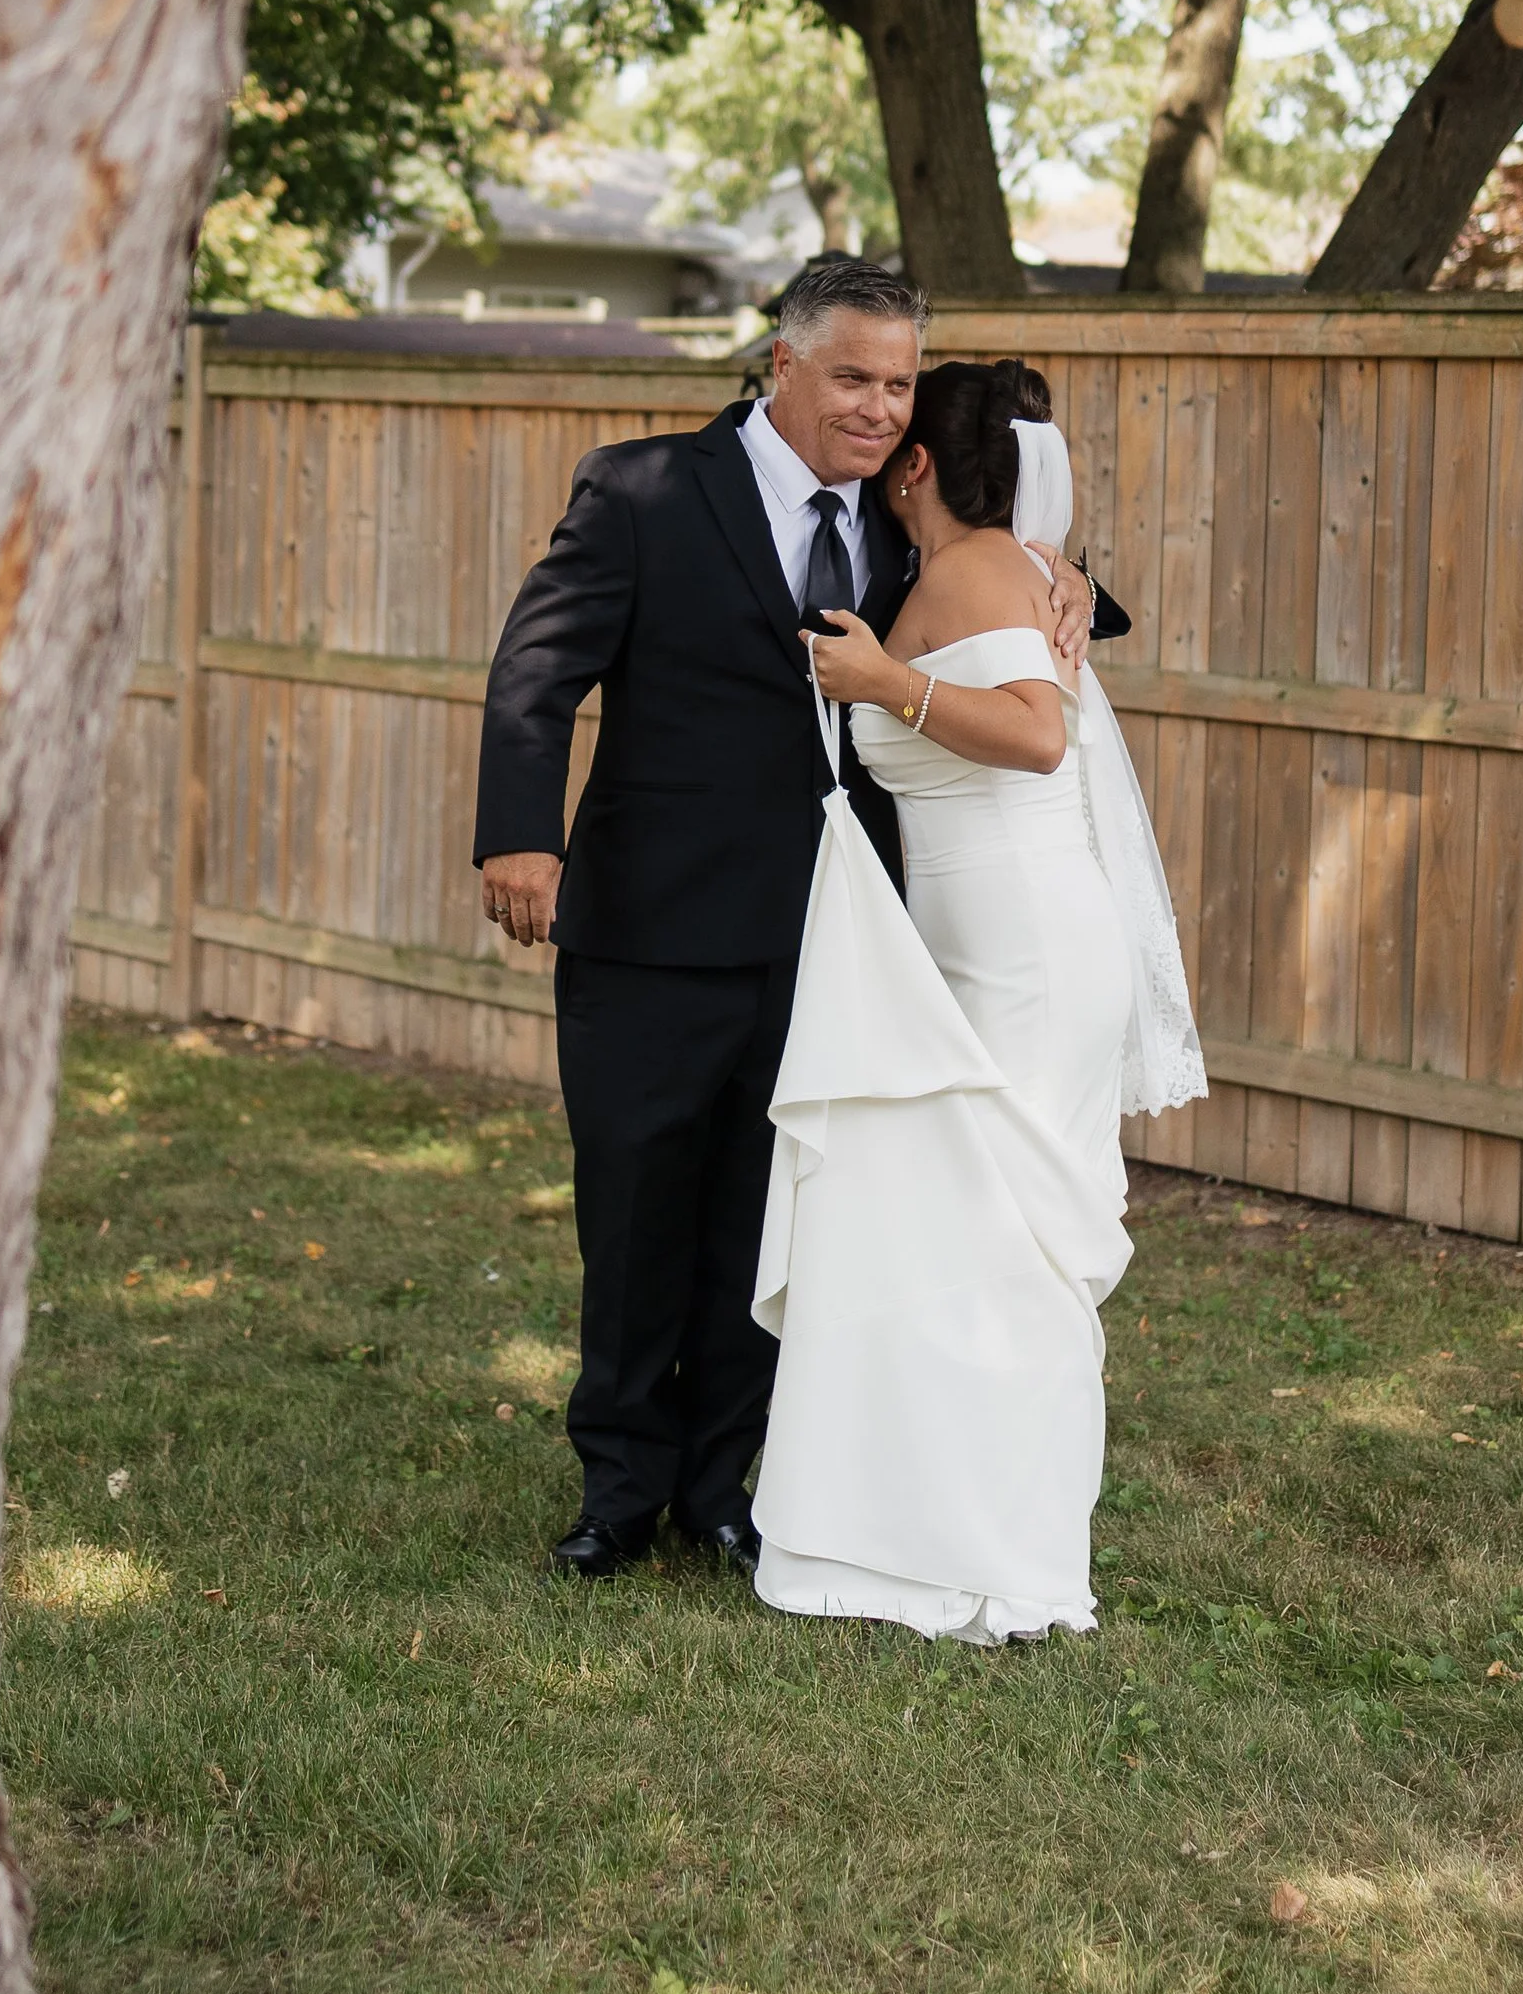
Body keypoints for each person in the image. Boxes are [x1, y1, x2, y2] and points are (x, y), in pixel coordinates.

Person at [473, 261, 1120, 1581]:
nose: (881, 409)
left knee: (774, 1215)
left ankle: (723, 1483)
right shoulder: (646, 488)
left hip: (838, 944)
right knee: (638, 1209)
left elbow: (1031, 606)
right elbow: (540, 664)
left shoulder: (907, 519)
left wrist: (1064, 570)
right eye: (855, 378)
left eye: (898, 384)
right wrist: (520, 833)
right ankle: (619, 1487)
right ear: (784, 364)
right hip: (651, 927)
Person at [750, 359, 1206, 1642]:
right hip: (995, 940)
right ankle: (943, 1528)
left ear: (916, 467)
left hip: (1021, 948)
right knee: (971, 1229)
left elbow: (1035, 734)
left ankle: (997, 1552)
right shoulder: (1019, 569)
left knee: (1007, 1239)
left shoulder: (973, 572)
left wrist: (890, 688)